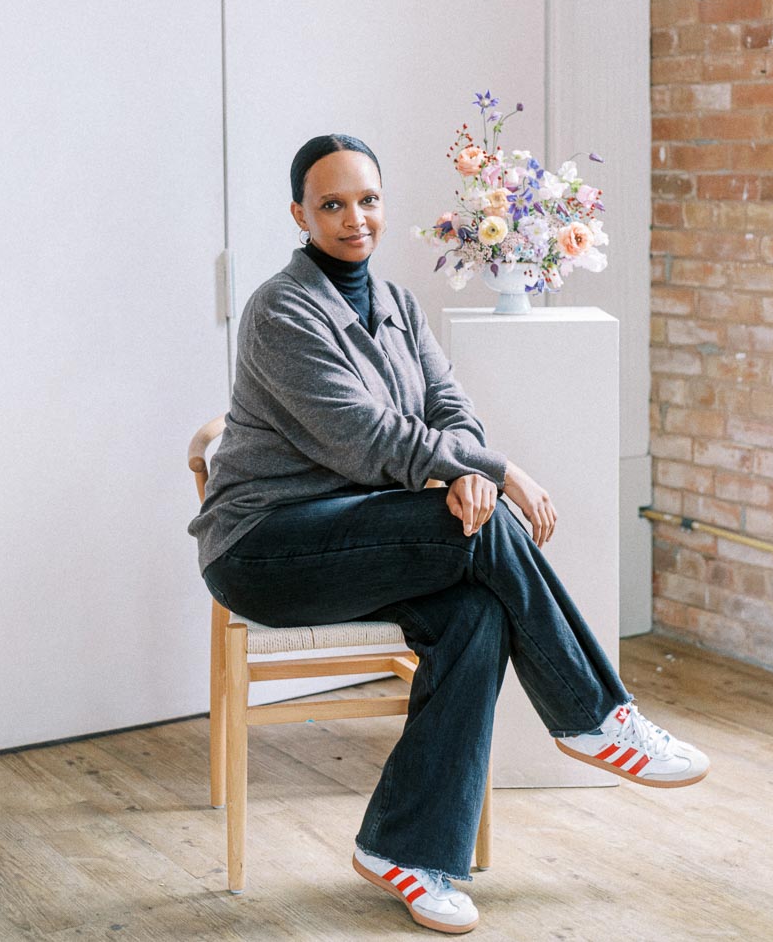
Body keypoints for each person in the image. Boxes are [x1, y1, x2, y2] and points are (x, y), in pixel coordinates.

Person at [187, 133, 709, 935]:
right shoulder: (279, 311)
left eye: (367, 200)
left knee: (478, 614)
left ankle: (409, 852)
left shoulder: (397, 304)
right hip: (266, 549)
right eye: (331, 204)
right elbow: (366, 439)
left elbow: (448, 410)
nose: (353, 218)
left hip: (363, 538)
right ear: (299, 214)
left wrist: (467, 466)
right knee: (478, 528)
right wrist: (496, 473)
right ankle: (594, 713)